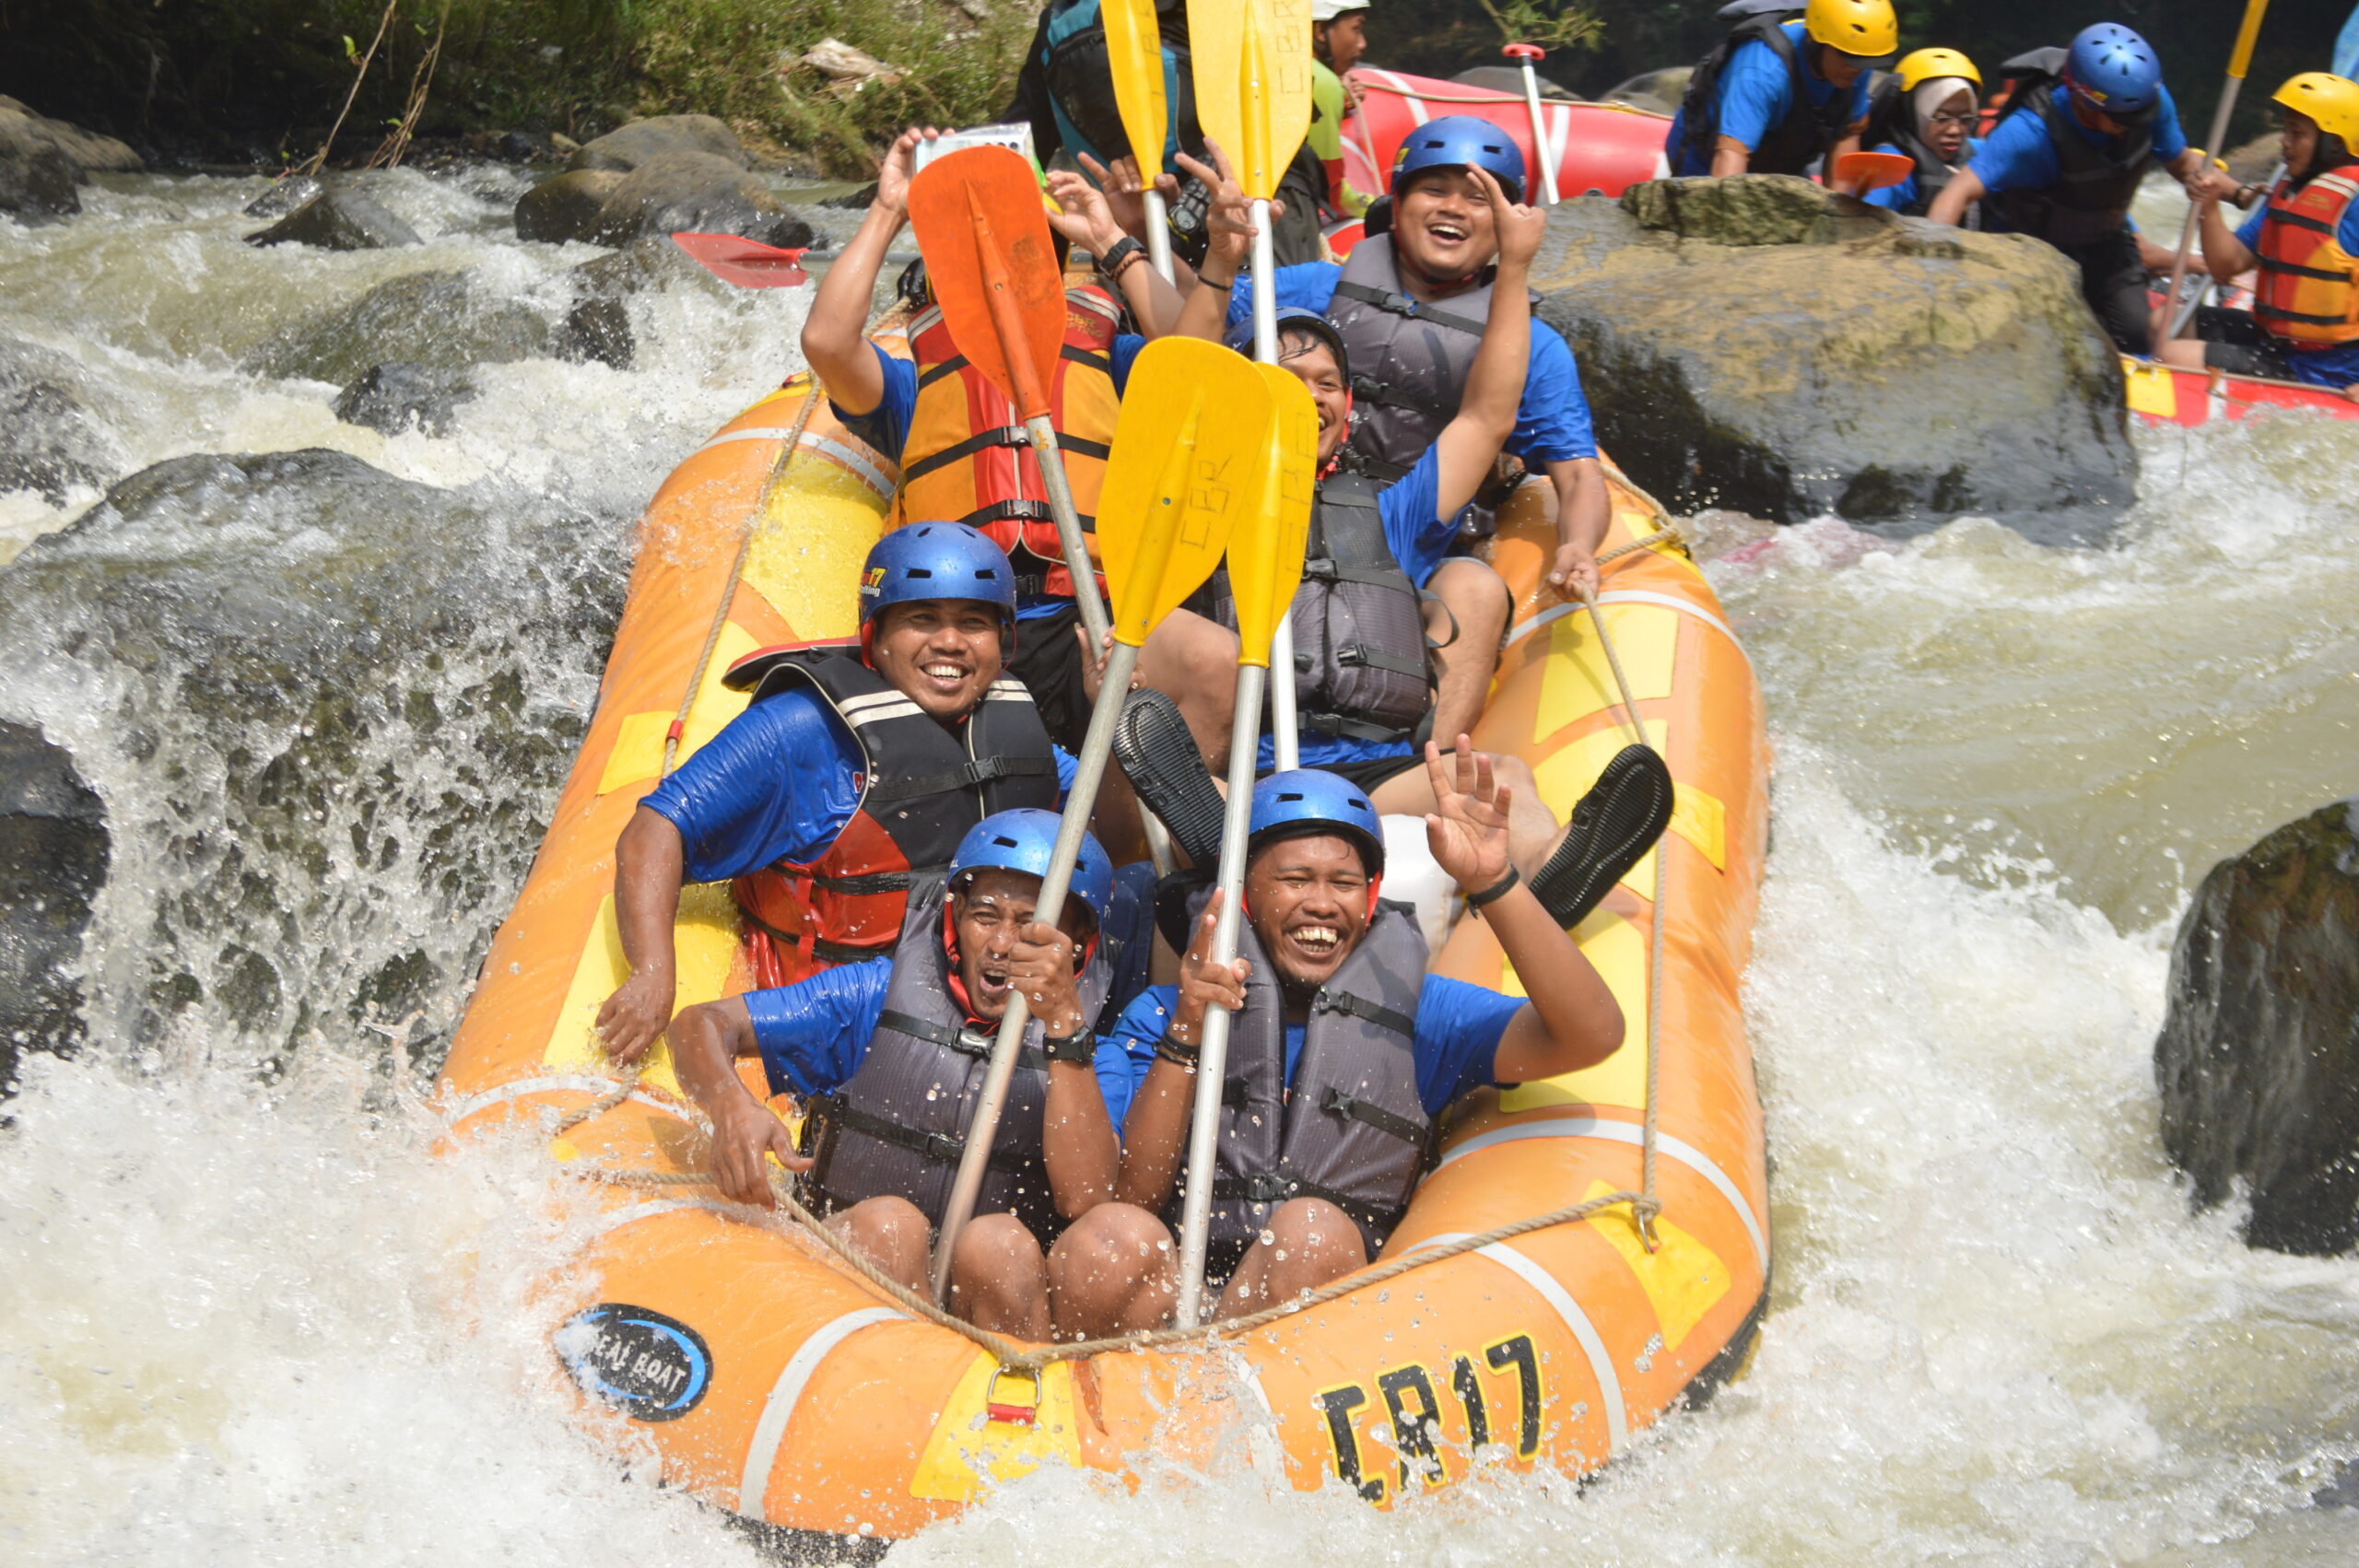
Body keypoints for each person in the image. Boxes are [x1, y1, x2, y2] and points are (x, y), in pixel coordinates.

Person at [1048, 755, 1630, 1331]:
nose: (1323, 904)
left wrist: (1492, 882)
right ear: (1246, 896)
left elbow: (1592, 1034)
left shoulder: (1420, 1013)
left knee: (1311, 1233)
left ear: (1371, 899)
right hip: (1180, 1300)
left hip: (1324, 1320)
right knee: (1110, 1239)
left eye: (1345, 884)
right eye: (1295, 880)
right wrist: (1187, 1033)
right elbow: (1123, 1199)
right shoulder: (1163, 1013)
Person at [1156, 155, 1580, 871]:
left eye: (1329, 384)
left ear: (1347, 411)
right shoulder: (1199, 496)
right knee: (1190, 796)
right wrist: (1222, 262)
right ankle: (1220, 869)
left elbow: (1486, 416)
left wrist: (1513, 269)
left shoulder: (1392, 510)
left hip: (1370, 775)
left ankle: (1551, 884)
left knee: (1504, 781)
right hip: (1247, 779)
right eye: (1288, 379)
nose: (1311, 395)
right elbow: (1182, 385)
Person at [596, 524, 1079, 1062]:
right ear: (877, 635)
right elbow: (654, 830)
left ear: (1004, 641)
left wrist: (1107, 704)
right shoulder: (800, 729)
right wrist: (652, 973)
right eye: (922, 619)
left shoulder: (1007, 725)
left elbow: (1091, 826)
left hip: (968, 1002)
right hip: (829, 1012)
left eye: (974, 623)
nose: (950, 642)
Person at [668, 811, 1133, 1336]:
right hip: (855, 1271)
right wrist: (730, 1105)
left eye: (1030, 926)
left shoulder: (1093, 1058)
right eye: (985, 916)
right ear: (955, 915)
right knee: (890, 1226)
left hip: (988, 1307)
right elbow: (699, 1026)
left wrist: (1065, 1028)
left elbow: (1085, 1198)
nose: (1002, 944)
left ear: (1078, 944)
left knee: (1000, 1245)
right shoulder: (874, 997)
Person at [799, 125, 1167, 755]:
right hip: (967, 629)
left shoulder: (1106, 354)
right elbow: (827, 343)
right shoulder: (914, 386)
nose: (996, 270)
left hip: (1091, 618)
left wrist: (1113, 243)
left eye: (1023, 245)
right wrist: (890, 210)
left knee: (1188, 676)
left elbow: (1195, 355)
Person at [1925, 24, 2232, 356]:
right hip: (2034, 252)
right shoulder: (2029, 132)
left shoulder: (2145, 102)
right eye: (2121, 120)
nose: (2132, 127)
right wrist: (1930, 273)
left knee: (2138, 334)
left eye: (2139, 115)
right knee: (2060, 343)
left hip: (2105, 242)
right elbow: (1956, 193)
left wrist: (2241, 194)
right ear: (2084, 103)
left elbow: (2182, 162)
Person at [2157, 72, 2359, 398]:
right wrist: (2209, 205)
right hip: (2276, 342)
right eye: (2285, 131)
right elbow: (2226, 265)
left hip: (2325, 368)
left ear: (2334, 144)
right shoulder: (2291, 193)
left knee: (2171, 356)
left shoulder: (2354, 204)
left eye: (2297, 134)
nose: (2285, 142)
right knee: (2162, 323)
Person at [1668, 0, 1896, 179]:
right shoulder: (1763, 72)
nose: (1855, 69)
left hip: (1782, 159)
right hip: (1706, 159)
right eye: (1848, 57)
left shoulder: (1857, 59)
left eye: (1866, 61)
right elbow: (1730, 156)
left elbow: (1846, 133)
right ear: (1814, 41)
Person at [1862, 47, 1982, 219]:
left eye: (1965, 119)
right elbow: (1859, 223)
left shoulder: (1979, 152)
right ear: (1911, 114)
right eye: (1941, 118)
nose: (1955, 130)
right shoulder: (1887, 165)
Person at [1309, 0, 1377, 220]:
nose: (1362, 43)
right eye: (1356, 28)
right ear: (1321, 31)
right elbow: (1332, 191)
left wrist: (1341, 99)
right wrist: (1377, 207)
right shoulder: (1321, 82)